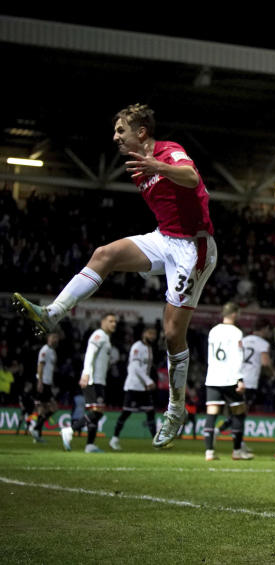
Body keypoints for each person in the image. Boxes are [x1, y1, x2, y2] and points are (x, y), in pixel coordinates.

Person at [13, 103, 217, 450]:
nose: (115, 137)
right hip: (164, 238)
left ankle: (176, 410)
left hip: (193, 247)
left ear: (141, 132)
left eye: (121, 130)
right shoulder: (137, 169)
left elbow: (192, 179)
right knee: (104, 254)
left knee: (171, 334)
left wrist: (159, 166)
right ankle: (52, 314)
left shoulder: (168, 151)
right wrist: (151, 169)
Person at [61, 313, 118, 453]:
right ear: (102, 322)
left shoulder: (107, 338)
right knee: (97, 412)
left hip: (100, 381)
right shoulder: (98, 335)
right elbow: (90, 353)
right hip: (93, 380)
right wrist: (86, 373)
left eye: (115, 322)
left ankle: (90, 445)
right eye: (110, 321)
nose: (114, 324)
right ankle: (70, 430)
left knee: (97, 413)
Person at [202, 303, 252, 461]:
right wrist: (240, 379)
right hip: (230, 378)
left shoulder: (213, 331)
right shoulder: (236, 332)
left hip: (213, 377)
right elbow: (237, 357)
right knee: (238, 413)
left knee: (212, 414)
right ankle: (237, 451)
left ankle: (209, 452)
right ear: (235, 314)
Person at [219, 318, 275, 444]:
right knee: (241, 413)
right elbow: (265, 363)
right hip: (250, 381)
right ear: (264, 328)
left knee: (238, 410)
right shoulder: (263, 343)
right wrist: (273, 372)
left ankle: (239, 441)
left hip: (236, 378)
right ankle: (223, 429)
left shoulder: (242, 340)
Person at [110, 327, 158, 450]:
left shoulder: (149, 348)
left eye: (154, 334)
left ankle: (156, 441)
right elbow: (135, 366)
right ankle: (114, 438)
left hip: (143, 387)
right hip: (134, 385)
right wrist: (148, 381)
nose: (152, 336)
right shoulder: (137, 346)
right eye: (150, 333)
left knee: (150, 412)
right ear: (143, 334)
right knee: (126, 412)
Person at [32, 332, 61, 443]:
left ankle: (37, 434)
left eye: (57, 337)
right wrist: (39, 381)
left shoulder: (53, 351)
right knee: (53, 407)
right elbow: (40, 365)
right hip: (43, 382)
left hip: (48, 383)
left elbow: (51, 368)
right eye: (54, 337)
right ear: (48, 338)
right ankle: (35, 428)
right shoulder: (44, 350)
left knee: (43, 410)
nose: (56, 339)